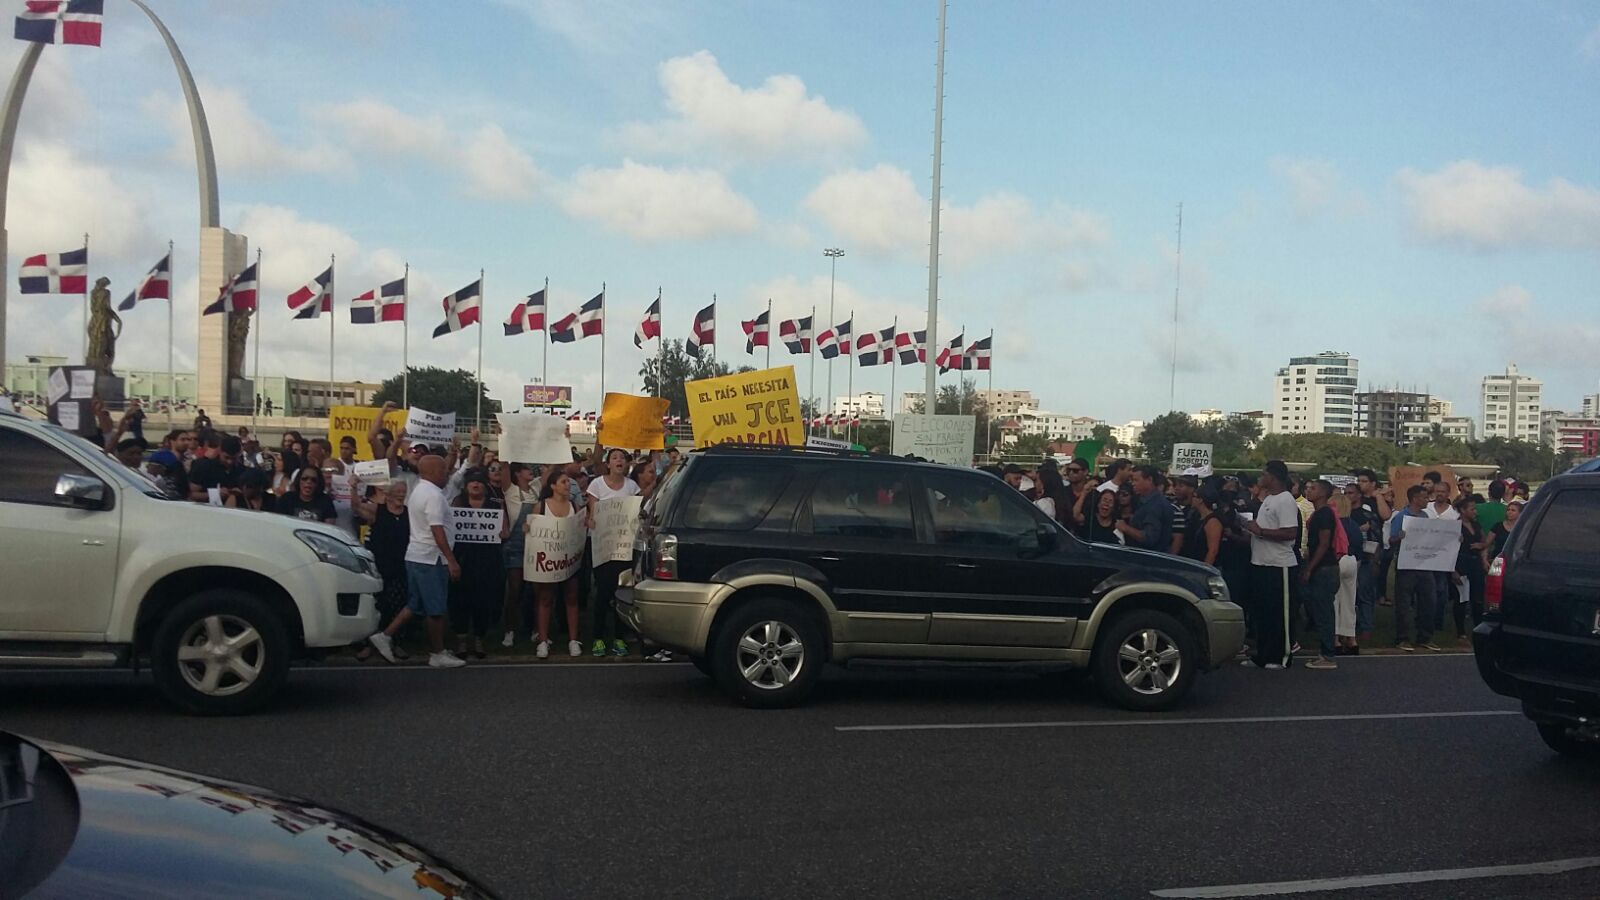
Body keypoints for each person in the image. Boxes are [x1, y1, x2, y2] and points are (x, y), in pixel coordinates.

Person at [368, 454, 466, 668]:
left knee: (416, 604)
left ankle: (385, 636)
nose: (446, 474)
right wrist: (451, 560)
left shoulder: (420, 491)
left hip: (417, 556)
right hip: (431, 559)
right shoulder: (432, 495)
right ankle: (437, 653)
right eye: (443, 471)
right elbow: (437, 530)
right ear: (432, 472)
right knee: (436, 608)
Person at [1242, 460, 1299, 670]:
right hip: (1261, 562)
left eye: (1263, 474)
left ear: (1272, 476)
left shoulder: (1285, 500)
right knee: (1263, 613)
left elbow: (1290, 532)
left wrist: (1261, 532)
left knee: (1279, 615)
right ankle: (1263, 654)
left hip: (1279, 565)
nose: (1260, 477)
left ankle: (1281, 656)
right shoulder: (1268, 499)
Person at [531, 465, 588, 659]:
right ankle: (543, 641)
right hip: (549, 561)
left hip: (569, 560)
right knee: (545, 598)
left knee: (571, 598)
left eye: (569, 482)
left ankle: (573, 640)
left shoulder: (574, 506)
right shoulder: (542, 505)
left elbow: (581, 527)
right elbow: (533, 529)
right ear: (553, 486)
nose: (568, 485)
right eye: (564, 482)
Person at [588, 448, 641, 658]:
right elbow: (593, 511)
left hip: (624, 548)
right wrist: (592, 519)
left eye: (622, 458)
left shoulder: (631, 486)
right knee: (603, 592)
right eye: (615, 457)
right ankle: (598, 637)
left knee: (622, 593)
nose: (619, 460)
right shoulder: (597, 485)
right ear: (608, 464)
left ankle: (620, 637)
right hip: (602, 546)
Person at [449, 468, 506, 659]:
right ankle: (462, 639)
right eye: (472, 482)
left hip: (487, 560)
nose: (476, 485)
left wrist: (500, 532)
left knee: (483, 600)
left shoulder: (495, 505)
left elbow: (504, 531)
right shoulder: (457, 503)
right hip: (463, 558)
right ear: (466, 486)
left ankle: (479, 638)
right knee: (460, 600)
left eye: (480, 482)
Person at [356, 479, 410, 662]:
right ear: (388, 493)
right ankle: (368, 645)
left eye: (404, 491)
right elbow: (356, 507)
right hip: (379, 565)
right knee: (376, 606)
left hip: (401, 565)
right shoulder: (377, 510)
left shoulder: (409, 513)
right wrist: (354, 487)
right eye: (398, 491)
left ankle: (397, 642)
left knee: (398, 604)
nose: (401, 494)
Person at [1389, 485, 1440, 653]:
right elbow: (1391, 540)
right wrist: (1399, 537)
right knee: (1404, 602)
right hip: (1406, 565)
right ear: (1415, 499)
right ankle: (1402, 637)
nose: (1427, 501)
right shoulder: (1401, 517)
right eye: (1424, 498)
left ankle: (1425, 636)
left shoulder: (1425, 516)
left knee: (1428, 601)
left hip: (1424, 564)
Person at [1299, 479, 1342, 670]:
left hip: (1325, 568)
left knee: (1324, 611)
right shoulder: (1319, 513)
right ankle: (1325, 650)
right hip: (1322, 566)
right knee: (1318, 607)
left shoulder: (1324, 514)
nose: (1308, 491)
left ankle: (1328, 654)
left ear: (1323, 493)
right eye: (1307, 488)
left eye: (1313, 488)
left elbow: (1324, 543)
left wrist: (1310, 567)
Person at [500, 464, 538, 648]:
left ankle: (533, 629)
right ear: (517, 473)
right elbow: (504, 466)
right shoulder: (510, 490)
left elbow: (555, 466)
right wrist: (504, 439)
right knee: (515, 590)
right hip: (515, 546)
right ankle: (510, 631)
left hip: (535, 545)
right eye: (526, 468)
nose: (531, 470)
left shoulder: (536, 488)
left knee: (534, 591)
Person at [1453, 494, 1489, 643]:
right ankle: (1460, 631)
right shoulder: (1455, 526)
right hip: (1461, 564)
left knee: (1478, 598)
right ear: (1463, 510)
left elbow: (1484, 541)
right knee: (1461, 599)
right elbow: (1449, 549)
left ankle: (1478, 628)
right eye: (1472, 509)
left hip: (1475, 565)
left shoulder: (1476, 525)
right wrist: (1452, 570)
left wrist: (1482, 548)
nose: (1475, 512)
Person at [1114, 465, 1172, 552]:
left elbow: (1149, 538)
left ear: (1149, 480)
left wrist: (1125, 528)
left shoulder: (1156, 505)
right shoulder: (1144, 501)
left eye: (1136, 480)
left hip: (1149, 559)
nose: (1133, 483)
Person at [189, 434, 245, 504]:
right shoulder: (203, 466)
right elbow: (191, 494)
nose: (229, 462)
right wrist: (215, 494)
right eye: (226, 457)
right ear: (220, 451)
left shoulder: (241, 470)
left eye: (234, 458)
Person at [1184, 481, 1225, 566]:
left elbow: (1213, 551)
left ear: (1201, 500)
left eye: (1194, 496)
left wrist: (1204, 570)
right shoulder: (1196, 517)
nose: (1191, 498)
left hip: (1204, 568)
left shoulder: (1213, 521)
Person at [1169, 475, 1201, 558]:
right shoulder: (1170, 507)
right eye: (1175, 485)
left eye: (1181, 486)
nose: (1176, 488)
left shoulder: (1198, 511)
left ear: (1192, 489)